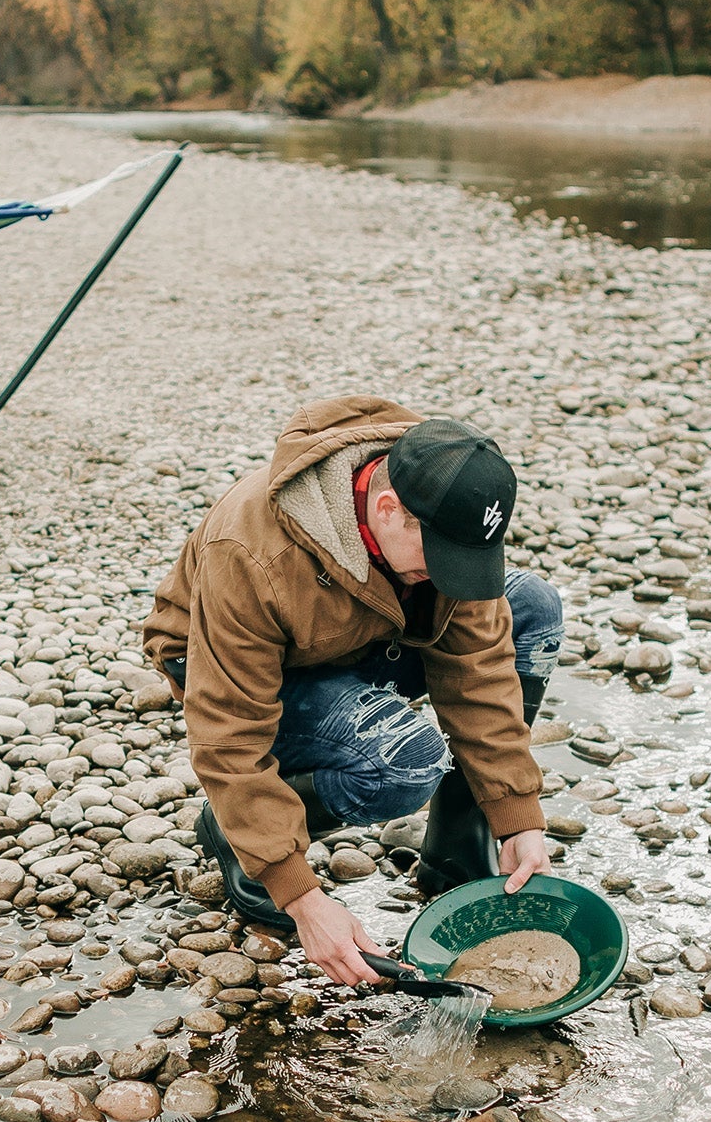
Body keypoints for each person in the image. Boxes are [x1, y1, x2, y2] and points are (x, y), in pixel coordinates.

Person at [141, 395, 564, 989]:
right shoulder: (252, 552)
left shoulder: (446, 489)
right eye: (437, 560)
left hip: (362, 635)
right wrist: (299, 894)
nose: (448, 575)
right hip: (239, 666)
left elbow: (479, 668)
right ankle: (236, 835)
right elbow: (229, 734)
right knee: (403, 763)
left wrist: (517, 818)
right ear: (388, 508)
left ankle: (459, 844)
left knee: (531, 608)